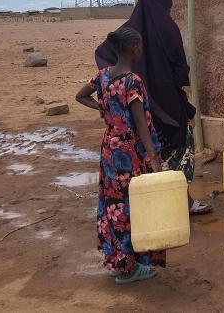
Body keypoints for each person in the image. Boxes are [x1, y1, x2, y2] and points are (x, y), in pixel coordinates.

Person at [95, 0, 212, 215]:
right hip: (168, 106)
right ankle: (181, 204)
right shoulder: (168, 28)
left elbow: (103, 53)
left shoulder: (129, 29)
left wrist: (114, 93)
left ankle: (153, 206)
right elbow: (180, 73)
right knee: (179, 152)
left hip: (136, 107)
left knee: (142, 156)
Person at [75, 26, 164, 284]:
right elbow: (141, 126)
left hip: (109, 149)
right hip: (130, 152)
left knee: (112, 205)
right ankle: (129, 269)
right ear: (133, 49)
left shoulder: (102, 77)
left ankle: (116, 261)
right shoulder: (132, 81)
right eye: (140, 46)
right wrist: (154, 159)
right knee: (129, 207)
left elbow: (80, 96)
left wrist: (101, 106)